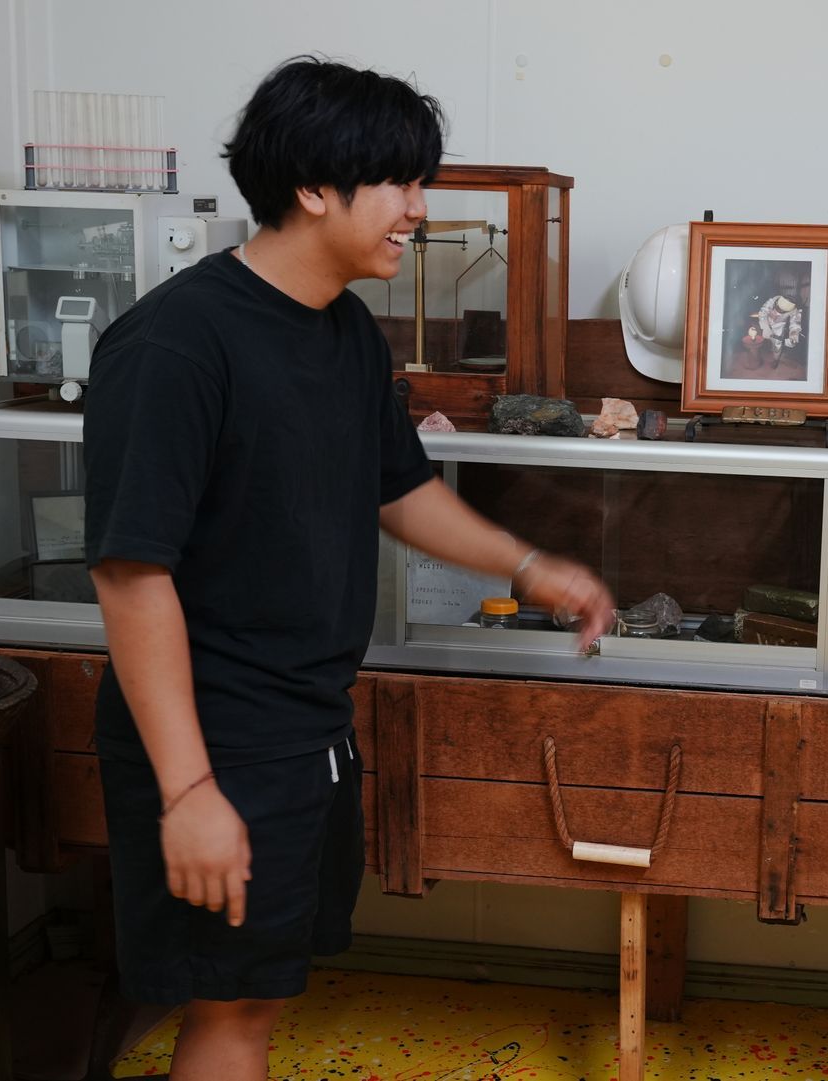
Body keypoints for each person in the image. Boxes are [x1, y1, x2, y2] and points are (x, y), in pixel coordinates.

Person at [83, 57, 614, 1081]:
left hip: (309, 726)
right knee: (229, 1009)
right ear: (315, 187)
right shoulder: (177, 344)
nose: (419, 210)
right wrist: (188, 789)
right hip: (216, 738)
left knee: (256, 998)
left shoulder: (346, 336)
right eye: (400, 183)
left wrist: (532, 563)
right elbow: (131, 575)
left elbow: (399, 489)